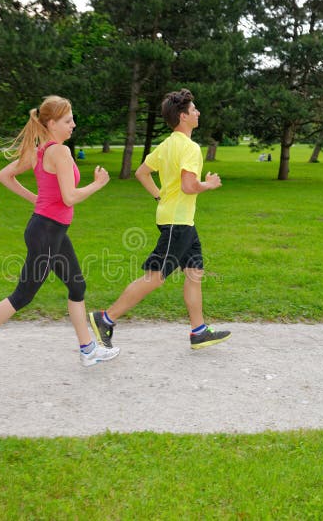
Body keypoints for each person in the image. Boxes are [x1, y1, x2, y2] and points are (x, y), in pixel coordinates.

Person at [0, 95, 120, 368]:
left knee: (77, 285)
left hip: (49, 230)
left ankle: (88, 349)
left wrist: (36, 199)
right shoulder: (59, 152)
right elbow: (69, 197)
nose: (74, 125)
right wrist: (98, 184)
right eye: (68, 121)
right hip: (46, 231)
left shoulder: (40, 150)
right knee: (23, 295)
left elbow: (3, 176)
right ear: (52, 123)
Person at [88, 88, 231, 350]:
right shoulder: (189, 147)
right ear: (183, 116)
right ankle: (105, 319)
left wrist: (160, 197)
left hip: (180, 220)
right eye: (194, 110)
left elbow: (142, 172)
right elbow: (189, 186)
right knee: (155, 277)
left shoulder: (166, 145)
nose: (198, 113)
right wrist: (208, 185)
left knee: (194, 272)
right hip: (177, 222)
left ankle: (198, 330)